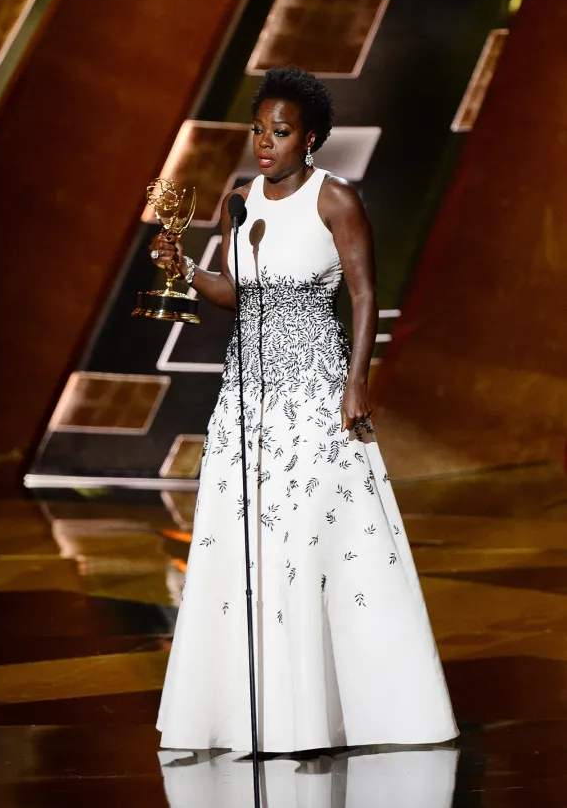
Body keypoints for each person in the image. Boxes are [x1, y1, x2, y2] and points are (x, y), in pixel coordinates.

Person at [153, 67, 457, 754]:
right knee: (243, 546)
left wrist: (356, 382)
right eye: (258, 130)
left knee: (311, 545)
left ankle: (324, 714)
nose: (265, 143)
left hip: (314, 397)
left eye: (280, 132)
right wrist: (184, 271)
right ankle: (249, 714)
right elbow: (237, 293)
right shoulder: (239, 202)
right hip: (247, 399)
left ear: (311, 137)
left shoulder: (336, 199)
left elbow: (364, 293)